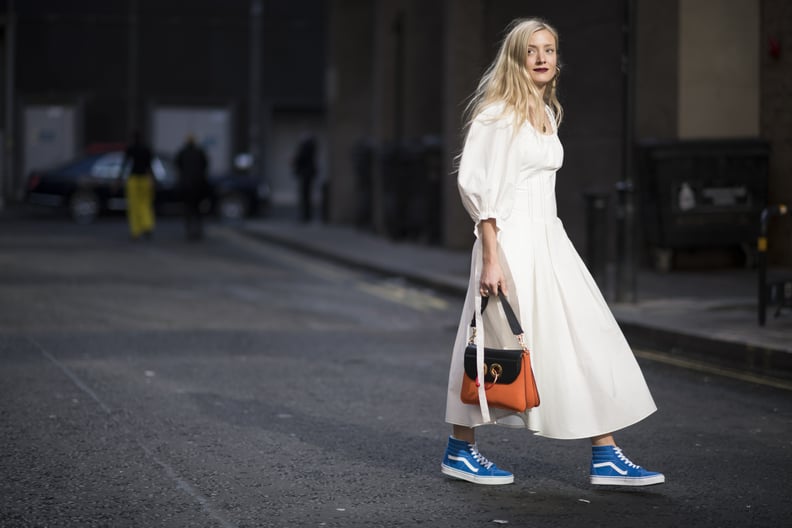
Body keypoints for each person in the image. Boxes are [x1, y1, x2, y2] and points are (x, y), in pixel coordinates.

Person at [441, 18, 664, 487]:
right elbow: (476, 184)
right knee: (492, 345)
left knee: (586, 336)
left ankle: (605, 452)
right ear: (516, 58)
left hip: (551, 240)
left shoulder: (547, 112)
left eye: (550, 49)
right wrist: (491, 256)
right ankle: (460, 448)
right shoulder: (498, 114)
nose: (543, 57)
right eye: (532, 50)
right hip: (511, 244)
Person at [120, 130, 156, 240]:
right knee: (145, 204)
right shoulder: (146, 149)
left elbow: (124, 164)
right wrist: (152, 179)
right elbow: (150, 166)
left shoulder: (130, 149)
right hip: (145, 179)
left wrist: (118, 179)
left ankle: (135, 231)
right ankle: (147, 226)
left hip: (134, 179)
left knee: (134, 206)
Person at [176, 135, 210, 241]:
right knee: (198, 208)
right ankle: (198, 229)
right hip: (199, 185)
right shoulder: (199, 152)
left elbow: (178, 165)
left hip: (186, 185)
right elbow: (205, 165)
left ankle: (189, 229)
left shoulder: (182, 153)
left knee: (188, 208)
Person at [291, 134, 318, 222]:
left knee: (305, 195)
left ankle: (306, 216)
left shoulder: (306, 149)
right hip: (307, 174)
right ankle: (306, 215)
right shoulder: (311, 149)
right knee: (306, 195)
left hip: (305, 174)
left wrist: (295, 161)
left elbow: (300, 159)